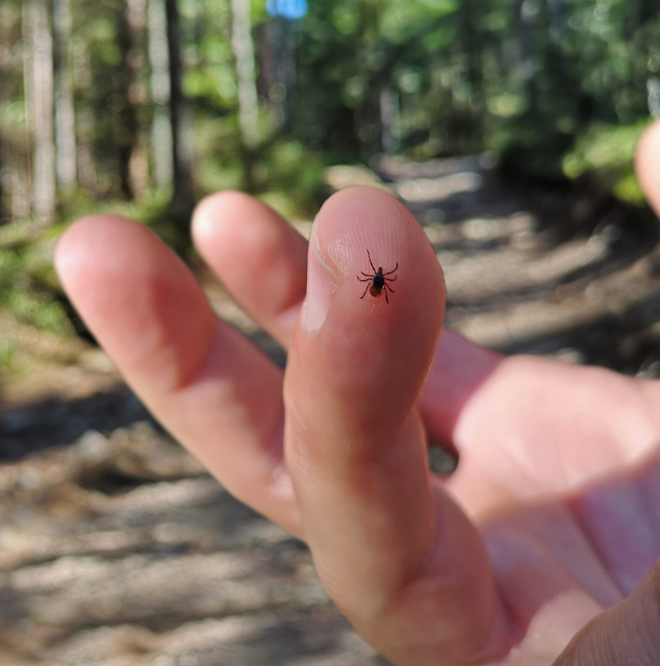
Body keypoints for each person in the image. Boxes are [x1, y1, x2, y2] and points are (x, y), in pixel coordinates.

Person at [54, 119, 660, 666]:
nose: (376, 277)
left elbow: (382, 279)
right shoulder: (378, 278)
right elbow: (381, 278)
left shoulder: (379, 279)